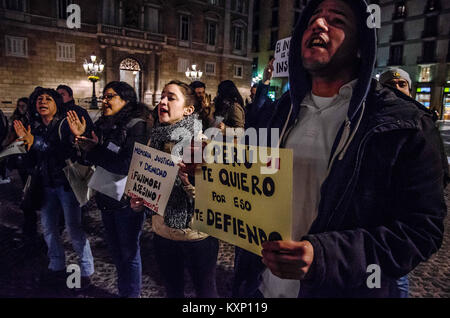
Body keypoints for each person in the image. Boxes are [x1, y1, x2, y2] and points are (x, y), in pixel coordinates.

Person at [239, 0, 447, 298]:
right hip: (262, 290)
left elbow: (421, 231)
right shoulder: (278, 112)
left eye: (337, 20)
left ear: (362, 46)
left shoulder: (406, 124)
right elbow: (253, 181)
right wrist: (211, 175)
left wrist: (324, 257)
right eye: (313, 18)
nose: (319, 24)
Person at [131, 80, 219, 298]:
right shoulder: (155, 139)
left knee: (206, 292)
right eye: (162, 97)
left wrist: (188, 183)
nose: (162, 101)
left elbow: (215, 198)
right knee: (172, 290)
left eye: (171, 97)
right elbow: (148, 184)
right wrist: (138, 201)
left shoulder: (200, 143)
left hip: (197, 238)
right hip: (162, 234)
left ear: (188, 110)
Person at [68, 81, 149, 298]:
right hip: (107, 196)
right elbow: (95, 157)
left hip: (126, 201)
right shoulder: (105, 124)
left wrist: (94, 150)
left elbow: (125, 165)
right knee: (116, 253)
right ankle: (125, 292)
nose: (104, 100)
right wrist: (83, 141)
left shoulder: (136, 125)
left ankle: (131, 294)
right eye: (104, 96)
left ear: (126, 100)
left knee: (129, 254)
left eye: (110, 96)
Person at [13, 88, 95, 288]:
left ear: (57, 104)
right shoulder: (34, 127)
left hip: (66, 185)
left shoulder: (65, 125)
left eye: (48, 99)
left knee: (73, 228)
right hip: (45, 185)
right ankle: (56, 264)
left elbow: (63, 152)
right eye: (39, 99)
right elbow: (31, 158)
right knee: (49, 228)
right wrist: (24, 146)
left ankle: (86, 270)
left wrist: (35, 143)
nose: (43, 101)